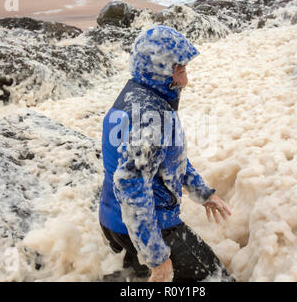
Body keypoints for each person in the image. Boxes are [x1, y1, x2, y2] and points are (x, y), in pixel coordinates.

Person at [99, 25, 234, 282]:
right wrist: (157, 257)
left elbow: (163, 158)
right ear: (158, 70)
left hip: (112, 220)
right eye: (179, 70)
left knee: (137, 279)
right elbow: (130, 186)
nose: (185, 80)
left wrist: (203, 193)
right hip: (151, 226)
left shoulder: (132, 94)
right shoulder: (154, 118)